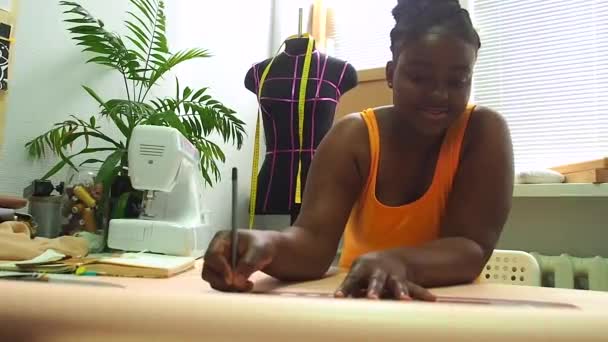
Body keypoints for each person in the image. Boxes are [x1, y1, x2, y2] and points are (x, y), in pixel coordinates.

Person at [202, 0, 514, 301]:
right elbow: (311, 244)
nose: (439, 94)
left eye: (458, 80)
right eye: (419, 77)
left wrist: (400, 263)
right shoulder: (353, 138)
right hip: (362, 305)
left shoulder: (483, 132)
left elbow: (470, 248)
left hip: (451, 312)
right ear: (391, 74)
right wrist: (266, 244)